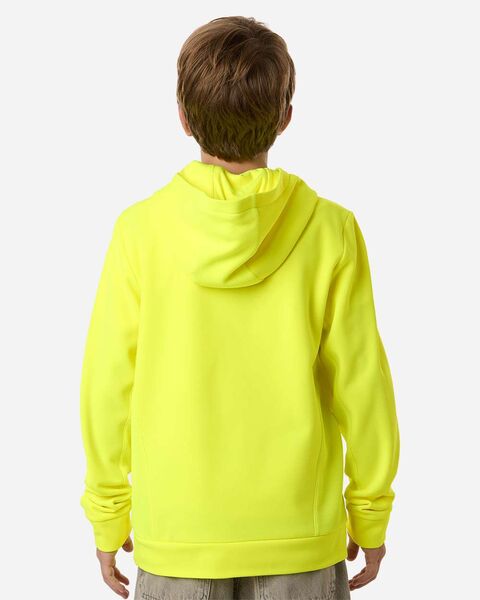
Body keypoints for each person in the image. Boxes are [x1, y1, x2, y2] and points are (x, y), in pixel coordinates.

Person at [79, 15, 400, 600]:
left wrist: (108, 513)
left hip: (178, 536)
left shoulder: (141, 232)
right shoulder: (331, 230)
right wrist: (370, 513)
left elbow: (106, 386)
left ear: (183, 117)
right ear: (285, 117)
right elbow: (363, 385)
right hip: (300, 537)